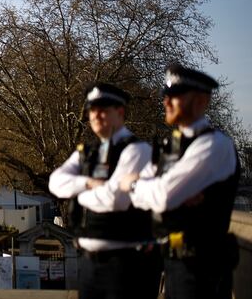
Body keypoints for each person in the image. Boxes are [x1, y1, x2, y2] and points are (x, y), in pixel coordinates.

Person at [119, 63, 239, 299]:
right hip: (172, 261)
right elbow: (149, 198)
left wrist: (134, 184)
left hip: (202, 267)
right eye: (166, 95)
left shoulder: (214, 144)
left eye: (175, 96)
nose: (166, 102)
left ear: (201, 101)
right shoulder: (172, 148)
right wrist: (160, 191)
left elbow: (162, 196)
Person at [49, 83, 160, 299]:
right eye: (92, 110)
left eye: (103, 110)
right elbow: (55, 183)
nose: (96, 115)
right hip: (90, 264)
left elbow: (115, 199)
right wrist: (89, 184)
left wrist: (78, 192)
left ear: (120, 112)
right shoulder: (87, 153)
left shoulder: (137, 150)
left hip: (127, 265)